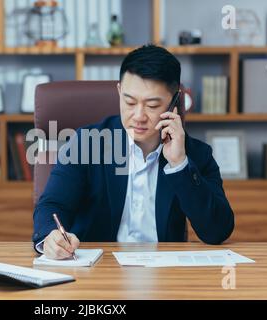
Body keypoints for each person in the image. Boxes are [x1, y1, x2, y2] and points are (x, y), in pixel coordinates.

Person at [33, 44, 234, 259]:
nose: (138, 116)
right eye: (129, 102)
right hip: (99, 271)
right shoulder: (87, 143)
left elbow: (217, 231)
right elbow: (52, 205)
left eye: (152, 105)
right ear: (119, 92)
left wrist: (180, 164)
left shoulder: (195, 154)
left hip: (165, 277)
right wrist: (51, 238)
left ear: (175, 101)